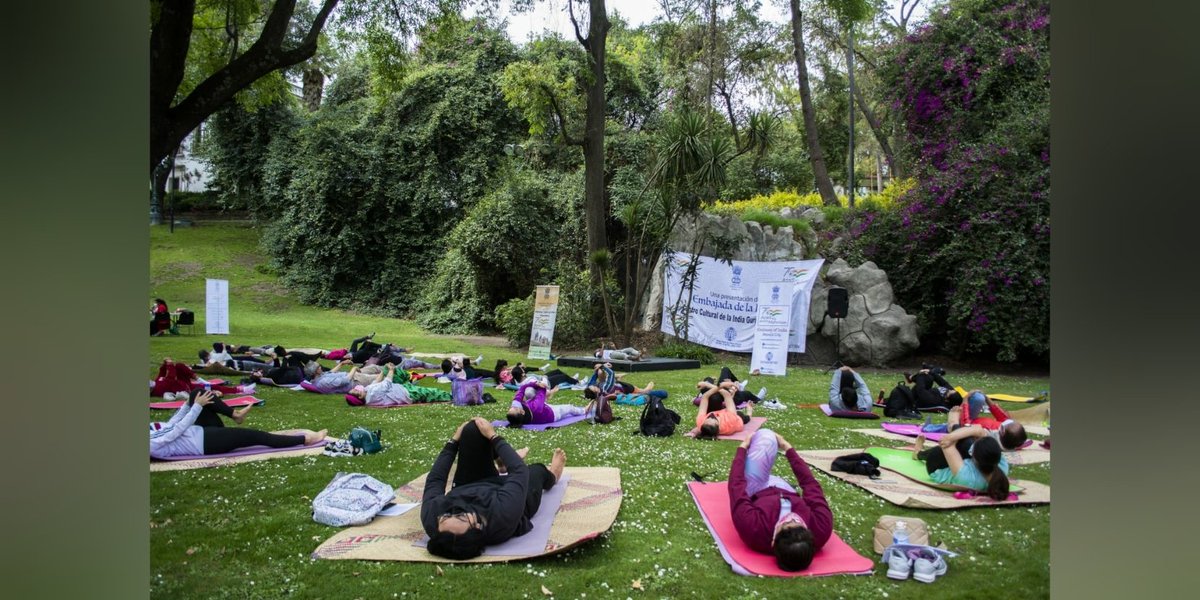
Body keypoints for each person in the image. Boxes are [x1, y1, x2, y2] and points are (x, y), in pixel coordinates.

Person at [420, 417, 567, 559]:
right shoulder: (502, 515)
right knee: (535, 471)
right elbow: (519, 471)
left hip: (470, 484)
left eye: (446, 515)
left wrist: (453, 441)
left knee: (472, 429)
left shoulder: (432, 517)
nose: (456, 510)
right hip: (515, 500)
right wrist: (493, 436)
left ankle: (501, 463)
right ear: (477, 527)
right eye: (461, 516)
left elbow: (435, 480)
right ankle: (553, 475)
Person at [728, 429, 833, 571]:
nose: (792, 519)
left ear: (773, 541)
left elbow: (736, 486)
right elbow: (810, 484)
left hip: (756, 488)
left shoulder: (753, 528)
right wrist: (787, 447)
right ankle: (775, 478)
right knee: (773, 440)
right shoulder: (821, 528)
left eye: (786, 525)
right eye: (798, 523)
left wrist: (742, 448)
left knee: (766, 436)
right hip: (786, 489)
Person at [150, 389, 326, 458]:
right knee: (256, 436)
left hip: (201, 431)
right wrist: (195, 406)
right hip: (205, 444)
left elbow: (170, 424)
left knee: (197, 392)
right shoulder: (150, 445)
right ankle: (304, 440)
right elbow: (177, 430)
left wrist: (188, 403)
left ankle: (236, 415)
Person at [911, 431, 1011, 500]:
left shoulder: (967, 479)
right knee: (967, 442)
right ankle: (956, 426)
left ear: (974, 457)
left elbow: (946, 445)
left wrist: (953, 434)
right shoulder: (1003, 467)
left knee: (964, 443)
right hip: (964, 463)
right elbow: (979, 431)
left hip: (937, 469)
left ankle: (918, 454)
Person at [921, 391, 1029, 450]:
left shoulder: (988, 435)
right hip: (971, 422)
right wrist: (987, 398)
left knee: (977, 398)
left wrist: (965, 401)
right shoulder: (1007, 435)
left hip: (965, 424)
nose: (1010, 421)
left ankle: (930, 428)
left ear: (1002, 431)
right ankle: (934, 427)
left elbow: (967, 426)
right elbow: (1002, 417)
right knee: (981, 397)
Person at [151, 357, 255, 399]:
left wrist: (165, 364)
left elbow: (162, 373)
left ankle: (201, 380)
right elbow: (171, 377)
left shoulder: (157, 382)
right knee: (212, 388)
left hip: (182, 382)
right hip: (185, 389)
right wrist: (169, 365)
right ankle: (239, 389)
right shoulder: (157, 390)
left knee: (179, 365)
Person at [505, 378, 594, 427]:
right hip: (551, 413)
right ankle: (584, 410)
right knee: (569, 407)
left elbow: (522, 388)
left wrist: (535, 383)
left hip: (538, 406)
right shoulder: (536, 408)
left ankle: (549, 395)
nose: (513, 406)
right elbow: (542, 390)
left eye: (510, 408)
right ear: (522, 412)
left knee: (529, 392)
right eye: (515, 408)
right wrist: (540, 384)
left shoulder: (517, 409)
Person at [345, 364, 412, 406]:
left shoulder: (367, 392)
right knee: (394, 373)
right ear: (360, 396)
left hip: (401, 389)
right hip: (407, 392)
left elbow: (376, 382)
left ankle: (409, 377)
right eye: (355, 390)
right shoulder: (372, 394)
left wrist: (383, 370)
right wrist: (391, 370)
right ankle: (409, 375)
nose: (357, 388)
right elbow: (387, 383)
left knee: (386, 369)